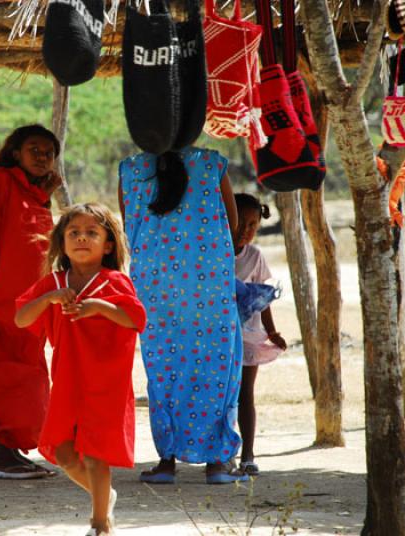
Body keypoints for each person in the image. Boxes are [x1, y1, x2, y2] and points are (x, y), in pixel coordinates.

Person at [119, 148, 249, 485]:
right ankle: (218, 463)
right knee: (217, 367)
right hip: (209, 286)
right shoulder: (211, 163)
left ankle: (166, 462)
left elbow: (129, 225)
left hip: (155, 288)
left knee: (164, 371)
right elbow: (232, 223)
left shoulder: (130, 170)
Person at [15, 203, 146, 536]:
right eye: (74, 233)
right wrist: (48, 299)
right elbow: (21, 318)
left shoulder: (114, 281)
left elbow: (136, 319)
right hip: (68, 380)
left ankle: (100, 524)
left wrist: (99, 307)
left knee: (96, 454)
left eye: (92, 233)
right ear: (61, 242)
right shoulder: (55, 282)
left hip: (106, 382)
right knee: (64, 452)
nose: (82, 239)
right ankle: (106, 497)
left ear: (109, 245)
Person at [0, 124, 63, 479]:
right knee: (2, 376)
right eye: (34, 149)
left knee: (28, 376)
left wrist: (43, 199)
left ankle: (12, 454)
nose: (42, 156)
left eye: (48, 152)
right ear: (15, 152)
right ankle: (4, 457)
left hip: (24, 307)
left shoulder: (34, 192)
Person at [233, 193, 287, 476]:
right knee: (221, 395)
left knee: (245, 395)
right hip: (217, 338)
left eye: (253, 224)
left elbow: (262, 297)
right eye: (240, 221)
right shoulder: (212, 252)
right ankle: (221, 454)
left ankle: (248, 455)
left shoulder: (255, 257)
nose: (245, 230)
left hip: (248, 337)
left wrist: (272, 331)